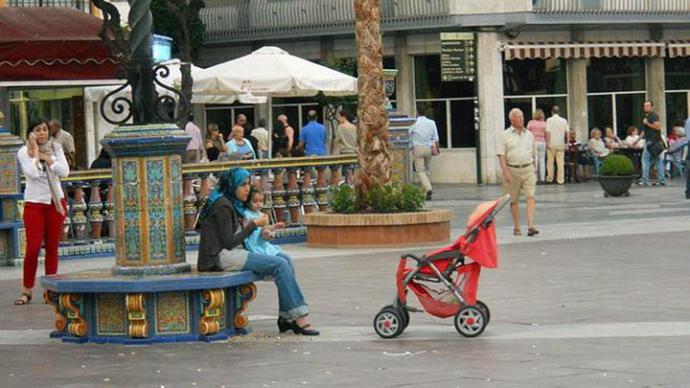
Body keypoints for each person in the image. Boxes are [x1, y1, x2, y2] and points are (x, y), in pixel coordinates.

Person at [197, 168, 318, 335]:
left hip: (235, 251)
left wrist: (263, 229)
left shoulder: (232, 203)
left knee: (286, 259)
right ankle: (299, 317)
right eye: (243, 185)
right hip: (222, 256)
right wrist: (254, 225)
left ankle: (285, 318)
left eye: (248, 184)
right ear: (232, 186)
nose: (247, 189)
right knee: (280, 265)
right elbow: (229, 242)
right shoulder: (222, 205)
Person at [15, 118, 70, 305]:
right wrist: (36, 153)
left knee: (53, 246)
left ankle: (51, 290)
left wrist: (49, 159)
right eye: (37, 130)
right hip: (35, 203)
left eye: (45, 130)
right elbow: (33, 173)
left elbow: (64, 172)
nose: (42, 133)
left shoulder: (56, 148)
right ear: (31, 133)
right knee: (33, 247)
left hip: (56, 203)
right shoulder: (24, 152)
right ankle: (26, 289)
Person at [497, 108, 538, 237]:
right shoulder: (504, 135)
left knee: (530, 196)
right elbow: (501, 155)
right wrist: (505, 171)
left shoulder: (529, 134)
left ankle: (531, 225)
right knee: (513, 199)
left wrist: (534, 168)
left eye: (522, 116)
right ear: (512, 119)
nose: (522, 119)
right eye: (519, 117)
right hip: (512, 169)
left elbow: (534, 152)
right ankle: (517, 227)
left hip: (528, 169)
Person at [243, 188, 287, 256]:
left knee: (286, 257)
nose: (258, 204)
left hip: (264, 245)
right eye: (255, 201)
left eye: (261, 201)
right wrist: (253, 223)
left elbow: (265, 228)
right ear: (248, 202)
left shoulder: (263, 215)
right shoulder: (246, 214)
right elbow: (245, 229)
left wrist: (274, 227)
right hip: (253, 244)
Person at [409, 106, 440, 200]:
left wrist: (411, 146)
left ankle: (428, 188)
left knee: (420, 171)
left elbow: (408, 134)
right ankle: (426, 192)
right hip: (429, 148)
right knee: (426, 169)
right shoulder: (432, 123)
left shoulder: (414, 123)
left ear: (417, 112)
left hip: (418, 148)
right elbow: (436, 138)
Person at [639, 100, 666, 187]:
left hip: (651, 142)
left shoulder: (653, 116)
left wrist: (647, 123)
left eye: (647, 106)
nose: (645, 107)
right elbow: (645, 131)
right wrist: (636, 140)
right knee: (658, 161)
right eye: (644, 106)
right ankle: (662, 180)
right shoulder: (648, 116)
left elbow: (657, 127)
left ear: (651, 107)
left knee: (645, 160)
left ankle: (645, 180)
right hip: (654, 142)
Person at [545, 105, 568, 185]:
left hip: (551, 143)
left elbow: (547, 132)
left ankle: (550, 178)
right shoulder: (564, 121)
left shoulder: (549, 120)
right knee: (560, 163)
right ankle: (560, 180)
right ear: (559, 112)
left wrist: (547, 142)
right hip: (560, 143)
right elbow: (567, 132)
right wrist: (567, 143)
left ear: (552, 112)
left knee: (550, 162)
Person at [526, 109, 547, 183]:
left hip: (534, 142)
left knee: (535, 160)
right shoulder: (544, 123)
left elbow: (527, 133)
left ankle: (535, 177)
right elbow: (546, 133)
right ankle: (542, 178)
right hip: (542, 142)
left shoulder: (530, 123)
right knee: (542, 160)